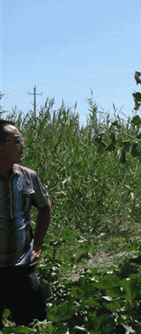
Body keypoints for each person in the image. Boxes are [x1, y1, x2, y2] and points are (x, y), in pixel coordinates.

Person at [0, 120, 51, 329]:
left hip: (21, 268)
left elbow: (45, 207)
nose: (22, 145)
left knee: (34, 325)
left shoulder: (28, 176)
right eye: (17, 140)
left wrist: (37, 243)